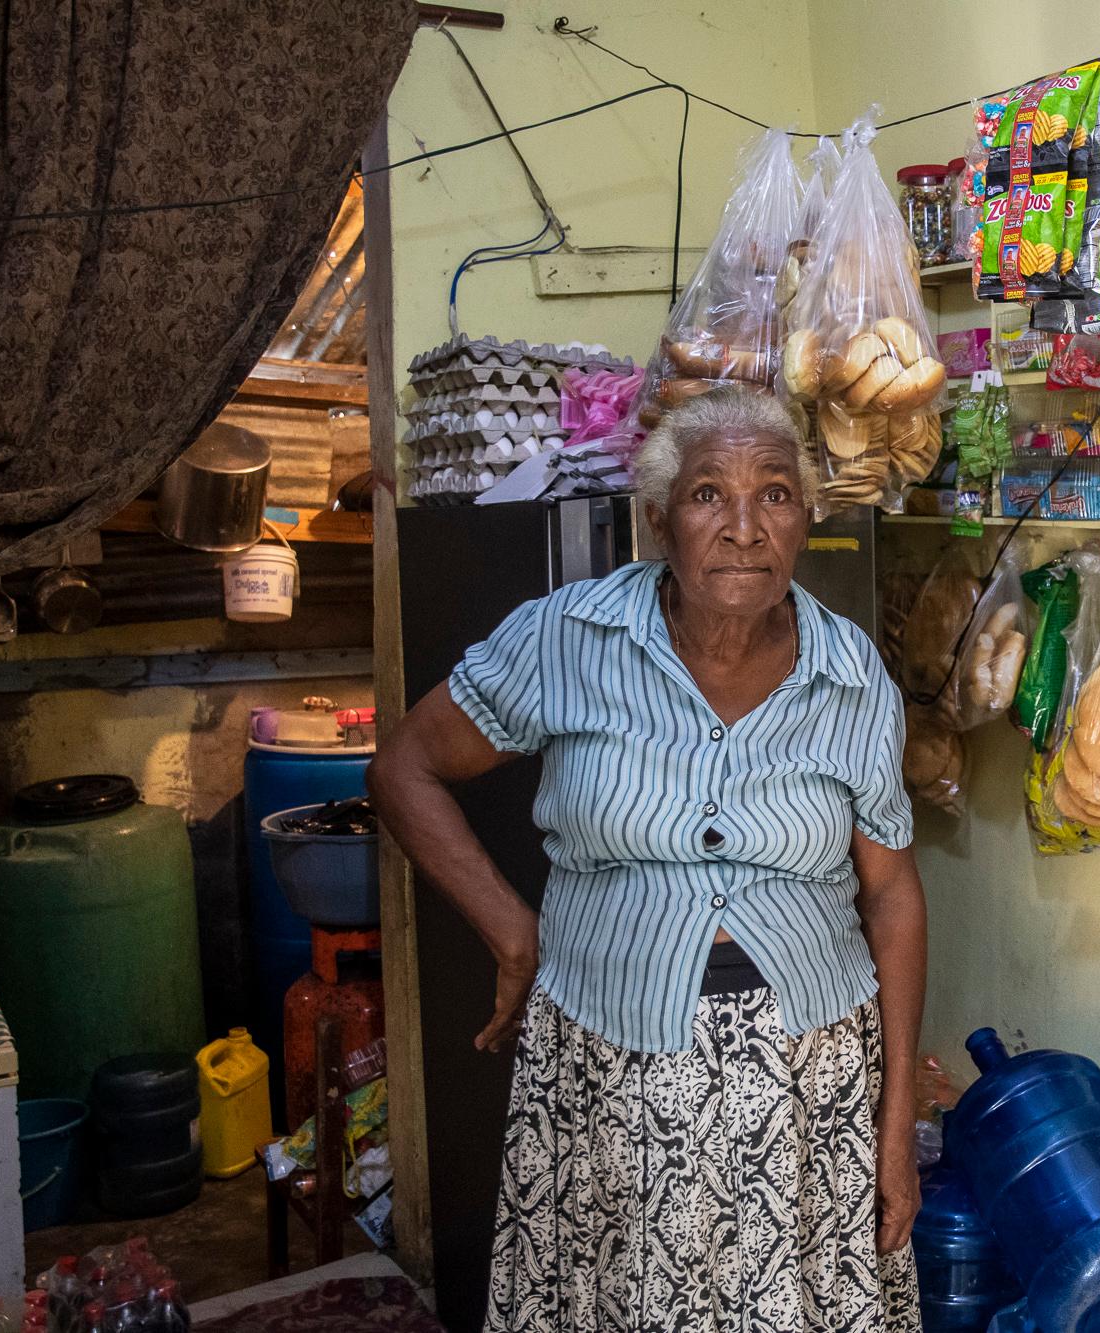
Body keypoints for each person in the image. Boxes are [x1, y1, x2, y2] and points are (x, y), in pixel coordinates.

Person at [369, 387, 924, 1332]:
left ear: (806, 517)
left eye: (776, 494)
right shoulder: (571, 637)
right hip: (606, 1064)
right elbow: (404, 769)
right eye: (711, 494)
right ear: (659, 520)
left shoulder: (851, 673)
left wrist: (898, 1115)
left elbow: (893, 894)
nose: (745, 528)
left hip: (808, 1081)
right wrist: (513, 933)